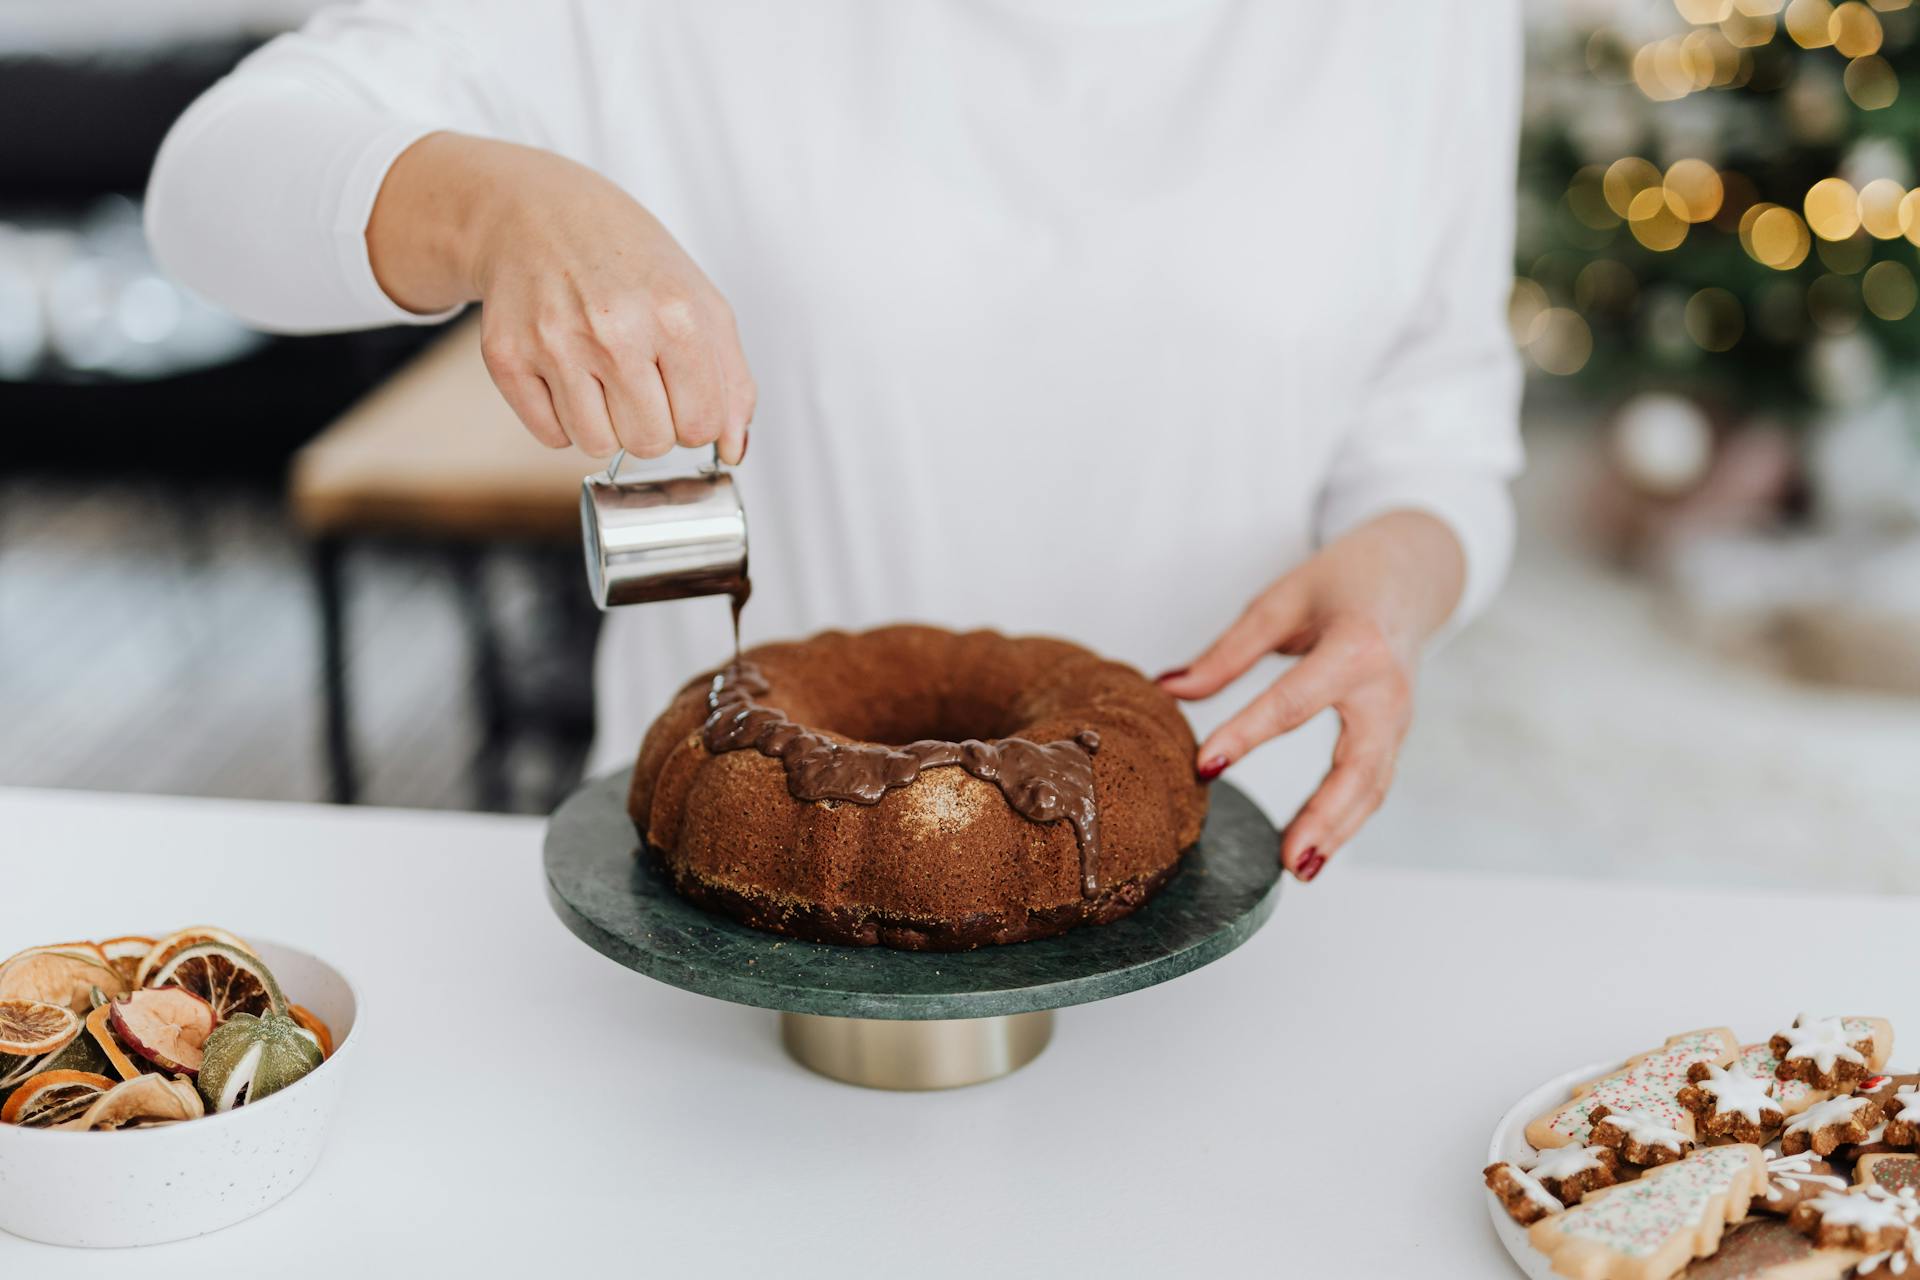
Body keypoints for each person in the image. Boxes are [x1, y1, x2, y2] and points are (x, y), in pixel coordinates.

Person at [147, 0, 1522, 883]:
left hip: (1224, 867)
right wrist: (492, 204)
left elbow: (1441, 417)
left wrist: (1397, 579)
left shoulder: (1420, 25)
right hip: (725, 904)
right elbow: (210, 178)